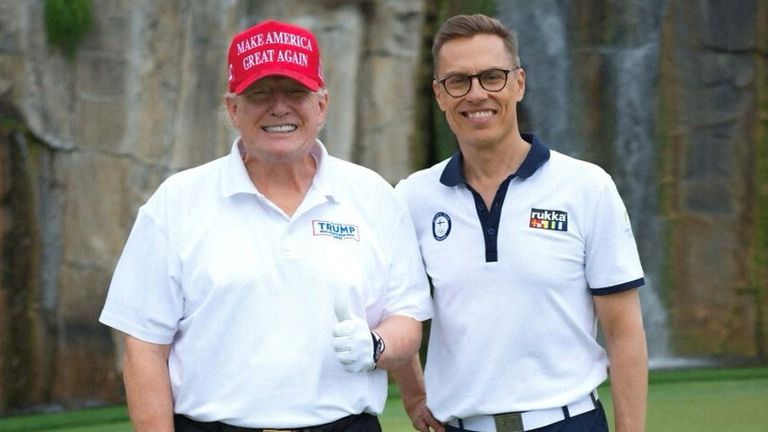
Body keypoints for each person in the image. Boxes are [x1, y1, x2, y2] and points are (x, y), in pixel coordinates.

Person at [99, 19, 432, 432]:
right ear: (233, 109)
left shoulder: (374, 195)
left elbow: (406, 319)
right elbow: (144, 346)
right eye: (259, 94)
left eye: (296, 92)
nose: (279, 108)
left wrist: (376, 345)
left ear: (322, 105)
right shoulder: (176, 202)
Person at [392, 14, 648, 432]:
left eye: (492, 77)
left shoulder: (587, 187)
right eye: (458, 81)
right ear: (439, 94)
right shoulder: (412, 198)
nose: (476, 94)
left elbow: (624, 332)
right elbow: (395, 305)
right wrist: (414, 394)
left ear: (519, 83)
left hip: (569, 423)